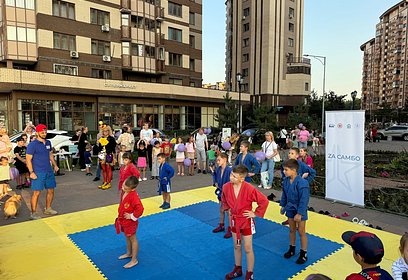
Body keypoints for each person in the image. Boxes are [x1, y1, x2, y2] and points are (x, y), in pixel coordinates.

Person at [222, 165, 269, 280]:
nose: (231, 177)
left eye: (234, 176)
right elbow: (224, 199)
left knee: (248, 248)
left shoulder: (248, 188)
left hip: (246, 221)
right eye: (231, 174)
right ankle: (238, 269)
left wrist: (255, 213)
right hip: (235, 220)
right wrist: (228, 209)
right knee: (237, 246)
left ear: (241, 178)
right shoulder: (226, 187)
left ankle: (250, 273)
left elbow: (264, 201)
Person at [280, 159, 310, 264]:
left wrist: (300, 213)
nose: (284, 172)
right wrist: (283, 206)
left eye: (286, 170)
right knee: (292, 230)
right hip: (290, 208)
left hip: (299, 209)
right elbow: (284, 194)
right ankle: (292, 249)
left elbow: (304, 199)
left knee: (301, 232)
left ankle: (303, 253)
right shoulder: (286, 181)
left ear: (294, 170)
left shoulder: (302, 183)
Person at [26, 124, 59, 220]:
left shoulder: (48, 142)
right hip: (38, 172)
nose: (44, 134)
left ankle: (48, 209)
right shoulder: (32, 145)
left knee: (51, 190)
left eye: (45, 132)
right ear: (37, 133)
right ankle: (33, 213)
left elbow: (50, 155)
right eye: (42, 132)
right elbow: (28, 159)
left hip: (48, 170)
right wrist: (31, 172)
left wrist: (55, 165)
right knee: (36, 192)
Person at [116, 176, 144, 269]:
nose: (123, 188)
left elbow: (140, 209)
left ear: (133, 189)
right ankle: (129, 253)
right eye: (123, 185)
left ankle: (134, 260)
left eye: (126, 188)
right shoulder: (125, 191)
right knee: (127, 237)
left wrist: (132, 216)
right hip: (123, 220)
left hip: (130, 222)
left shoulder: (134, 197)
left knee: (133, 238)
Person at [212, 153, 233, 238]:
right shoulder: (218, 169)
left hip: (228, 193)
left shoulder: (230, 170)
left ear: (225, 160)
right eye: (217, 160)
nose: (217, 162)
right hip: (221, 192)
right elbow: (216, 179)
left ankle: (231, 229)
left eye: (219, 160)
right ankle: (221, 225)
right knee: (221, 209)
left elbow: (233, 182)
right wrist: (213, 172)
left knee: (229, 212)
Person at [97, 125, 117, 190]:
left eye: (106, 131)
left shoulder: (111, 138)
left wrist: (114, 156)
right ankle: (105, 182)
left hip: (109, 155)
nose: (105, 132)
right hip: (102, 155)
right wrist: (99, 154)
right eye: (104, 131)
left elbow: (113, 147)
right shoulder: (101, 138)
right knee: (104, 169)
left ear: (109, 131)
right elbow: (99, 148)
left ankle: (109, 183)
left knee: (109, 169)